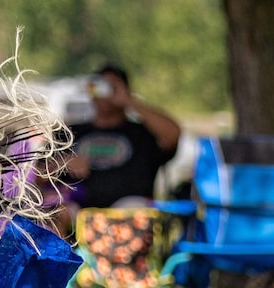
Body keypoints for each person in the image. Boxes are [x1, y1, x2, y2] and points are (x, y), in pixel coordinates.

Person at [52, 63, 181, 236]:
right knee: (54, 212)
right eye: (98, 85)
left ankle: (119, 261)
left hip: (128, 212)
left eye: (112, 87)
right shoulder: (69, 133)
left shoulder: (142, 134)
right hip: (78, 209)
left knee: (133, 211)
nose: (104, 93)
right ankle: (60, 261)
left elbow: (173, 134)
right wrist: (63, 162)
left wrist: (128, 101)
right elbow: (33, 174)